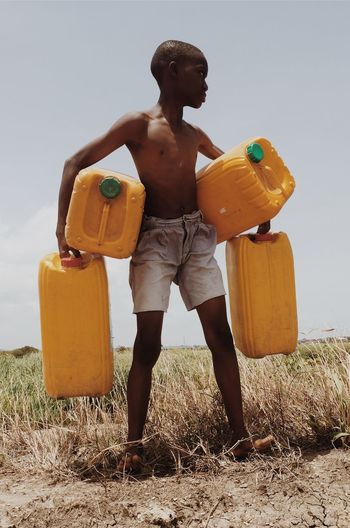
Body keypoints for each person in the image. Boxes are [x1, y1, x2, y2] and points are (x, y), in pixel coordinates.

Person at [56, 40, 274, 472]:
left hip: (196, 237)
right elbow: (74, 162)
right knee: (147, 346)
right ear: (173, 72)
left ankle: (241, 439)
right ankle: (134, 448)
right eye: (200, 73)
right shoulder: (138, 124)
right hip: (153, 240)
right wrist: (62, 228)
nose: (207, 85)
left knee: (221, 336)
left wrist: (261, 212)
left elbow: (235, 174)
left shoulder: (195, 135)